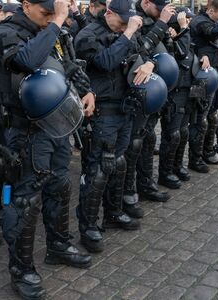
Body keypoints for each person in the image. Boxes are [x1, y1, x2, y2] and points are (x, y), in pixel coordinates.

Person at [0, 0, 94, 297]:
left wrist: (87, 91)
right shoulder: (5, 33)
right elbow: (26, 61)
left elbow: (66, 64)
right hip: (24, 130)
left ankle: (58, 245)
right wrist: (58, 21)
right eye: (45, 13)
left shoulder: (50, 31)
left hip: (56, 124)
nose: (50, 19)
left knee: (60, 185)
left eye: (54, 13)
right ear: (26, 5)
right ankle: (21, 270)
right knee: (25, 199)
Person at [74, 0, 149, 255]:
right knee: (98, 169)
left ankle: (113, 212)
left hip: (125, 107)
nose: (126, 26)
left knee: (119, 163)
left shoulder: (126, 33)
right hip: (102, 110)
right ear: (108, 13)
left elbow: (143, 55)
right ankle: (88, 226)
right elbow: (105, 62)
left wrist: (150, 64)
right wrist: (127, 34)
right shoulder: (88, 35)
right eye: (123, 21)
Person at [121, 0, 175, 215]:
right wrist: (162, 22)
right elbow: (142, 46)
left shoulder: (153, 20)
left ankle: (145, 184)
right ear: (145, 3)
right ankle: (128, 192)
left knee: (148, 139)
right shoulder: (134, 19)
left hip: (153, 91)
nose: (164, 11)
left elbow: (156, 51)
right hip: (134, 93)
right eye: (160, 6)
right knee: (132, 146)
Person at [188, 0, 218, 172]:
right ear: (210, 10)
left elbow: (217, 34)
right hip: (200, 79)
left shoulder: (208, 21)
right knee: (199, 119)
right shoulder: (200, 22)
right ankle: (195, 158)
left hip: (212, 77)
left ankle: (207, 151)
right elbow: (216, 31)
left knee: (210, 117)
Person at [158, 8, 193, 189]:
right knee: (172, 134)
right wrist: (182, 29)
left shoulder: (186, 38)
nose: (188, 22)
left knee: (183, 132)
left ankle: (177, 166)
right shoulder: (170, 39)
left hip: (188, 91)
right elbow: (181, 53)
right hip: (175, 92)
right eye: (185, 19)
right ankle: (166, 172)